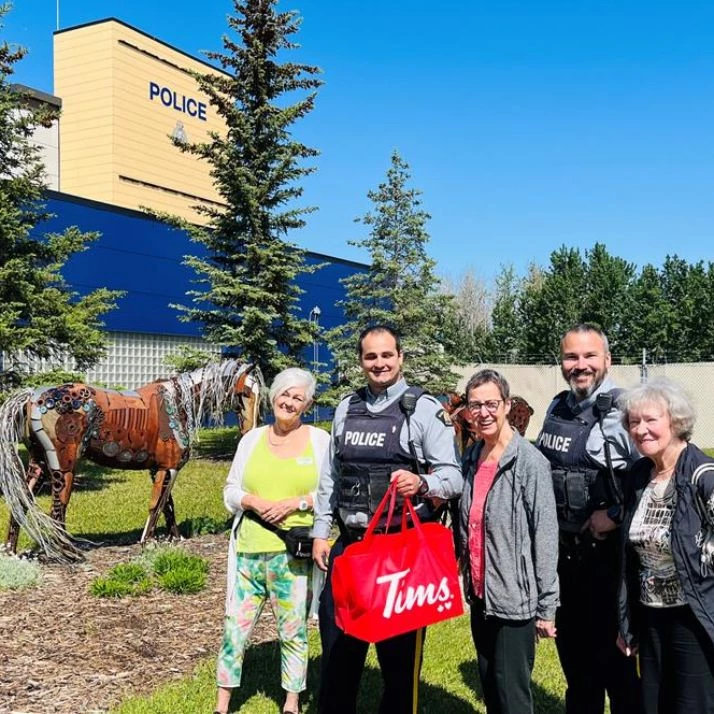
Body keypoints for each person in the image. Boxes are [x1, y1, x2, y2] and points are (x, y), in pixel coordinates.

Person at [312, 325, 462, 714]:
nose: (379, 363)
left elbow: (454, 477)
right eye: (370, 357)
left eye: (386, 355)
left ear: (400, 358)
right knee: (338, 658)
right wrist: (319, 532)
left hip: (400, 554)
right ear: (361, 361)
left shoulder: (424, 409)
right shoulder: (346, 408)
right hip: (350, 549)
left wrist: (422, 481)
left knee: (398, 669)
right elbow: (331, 475)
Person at [536, 323, 641, 714]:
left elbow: (659, 476)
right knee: (578, 676)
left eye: (589, 356)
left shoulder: (629, 409)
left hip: (611, 564)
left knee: (621, 676)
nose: (580, 365)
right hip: (566, 562)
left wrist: (614, 515)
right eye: (571, 357)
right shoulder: (557, 406)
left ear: (607, 360)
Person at [214, 367, 330, 714]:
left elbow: (330, 492)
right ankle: (222, 705)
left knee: (292, 631)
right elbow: (230, 491)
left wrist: (297, 503)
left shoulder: (318, 441)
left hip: (292, 556)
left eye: (298, 397)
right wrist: (253, 501)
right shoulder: (251, 440)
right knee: (234, 631)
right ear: (273, 396)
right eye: (285, 394)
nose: (289, 402)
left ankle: (291, 703)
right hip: (249, 551)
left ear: (307, 405)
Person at [457, 369, 559, 714]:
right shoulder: (471, 459)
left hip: (515, 601)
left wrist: (547, 607)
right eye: (475, 405)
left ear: (506, 405)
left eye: (491, 404)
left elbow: (545, 535)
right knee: (490, 688)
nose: (483, 413)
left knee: (513, 696)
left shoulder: (529, 463)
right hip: (481, 595)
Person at [617, 377, 714, 713]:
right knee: (654, 704)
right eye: (633, 422)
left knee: (693, 706)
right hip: (651, 616)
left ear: (674, 421)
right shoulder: (639, 475)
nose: (640, 429)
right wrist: (627, 622)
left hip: (695, 617)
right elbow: (628, 557)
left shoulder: (703, 475)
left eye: (650, 420)